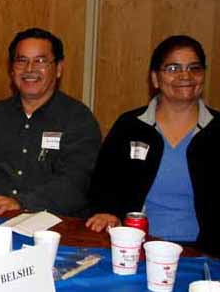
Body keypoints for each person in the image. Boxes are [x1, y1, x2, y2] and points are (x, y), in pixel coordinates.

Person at [86, 35, 220, 257]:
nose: (185, 76)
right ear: (155, 78)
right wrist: (107, 211)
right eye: (173, 68)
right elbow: (102, 184)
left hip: (206, 253)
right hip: (137, 247)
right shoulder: (129, 126)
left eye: (194, 68)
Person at [0, 27, 101, 217]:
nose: (29, 69)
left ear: (59, 69)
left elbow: (75, 185)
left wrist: (21, 203)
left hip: (52, 226)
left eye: (40, 61)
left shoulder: (78, 120)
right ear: (11, 69)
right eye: (22, 60)